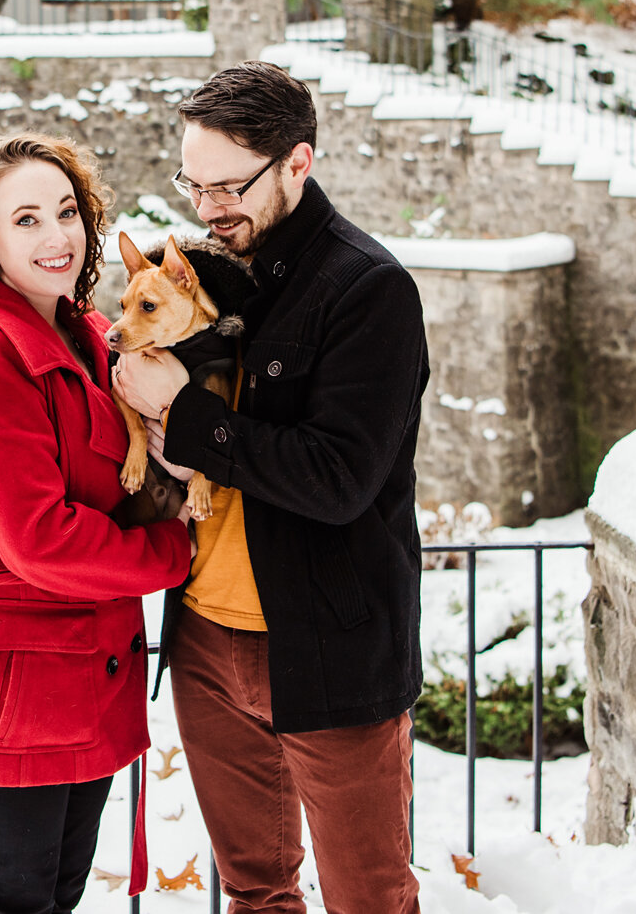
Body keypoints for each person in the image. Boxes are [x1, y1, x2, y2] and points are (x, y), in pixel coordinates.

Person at [113, 61, 431, 914]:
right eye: (194, 181)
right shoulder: (206, 275)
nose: (209, 205)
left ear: (298, 162)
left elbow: (337, 479)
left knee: (370, 898)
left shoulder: (371, 290)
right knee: (255, 893)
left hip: (328, 648)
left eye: (230, 185)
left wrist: (181, 415)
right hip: (206, 644)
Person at [0, 132, 194, 914]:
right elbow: (39, 537)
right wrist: (174, 551)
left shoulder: (88, 331)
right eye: (27, 218)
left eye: (66, 212)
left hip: (85, 672)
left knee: (57, 896)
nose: (56, 235)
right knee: (13, 901)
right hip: (14, 688)